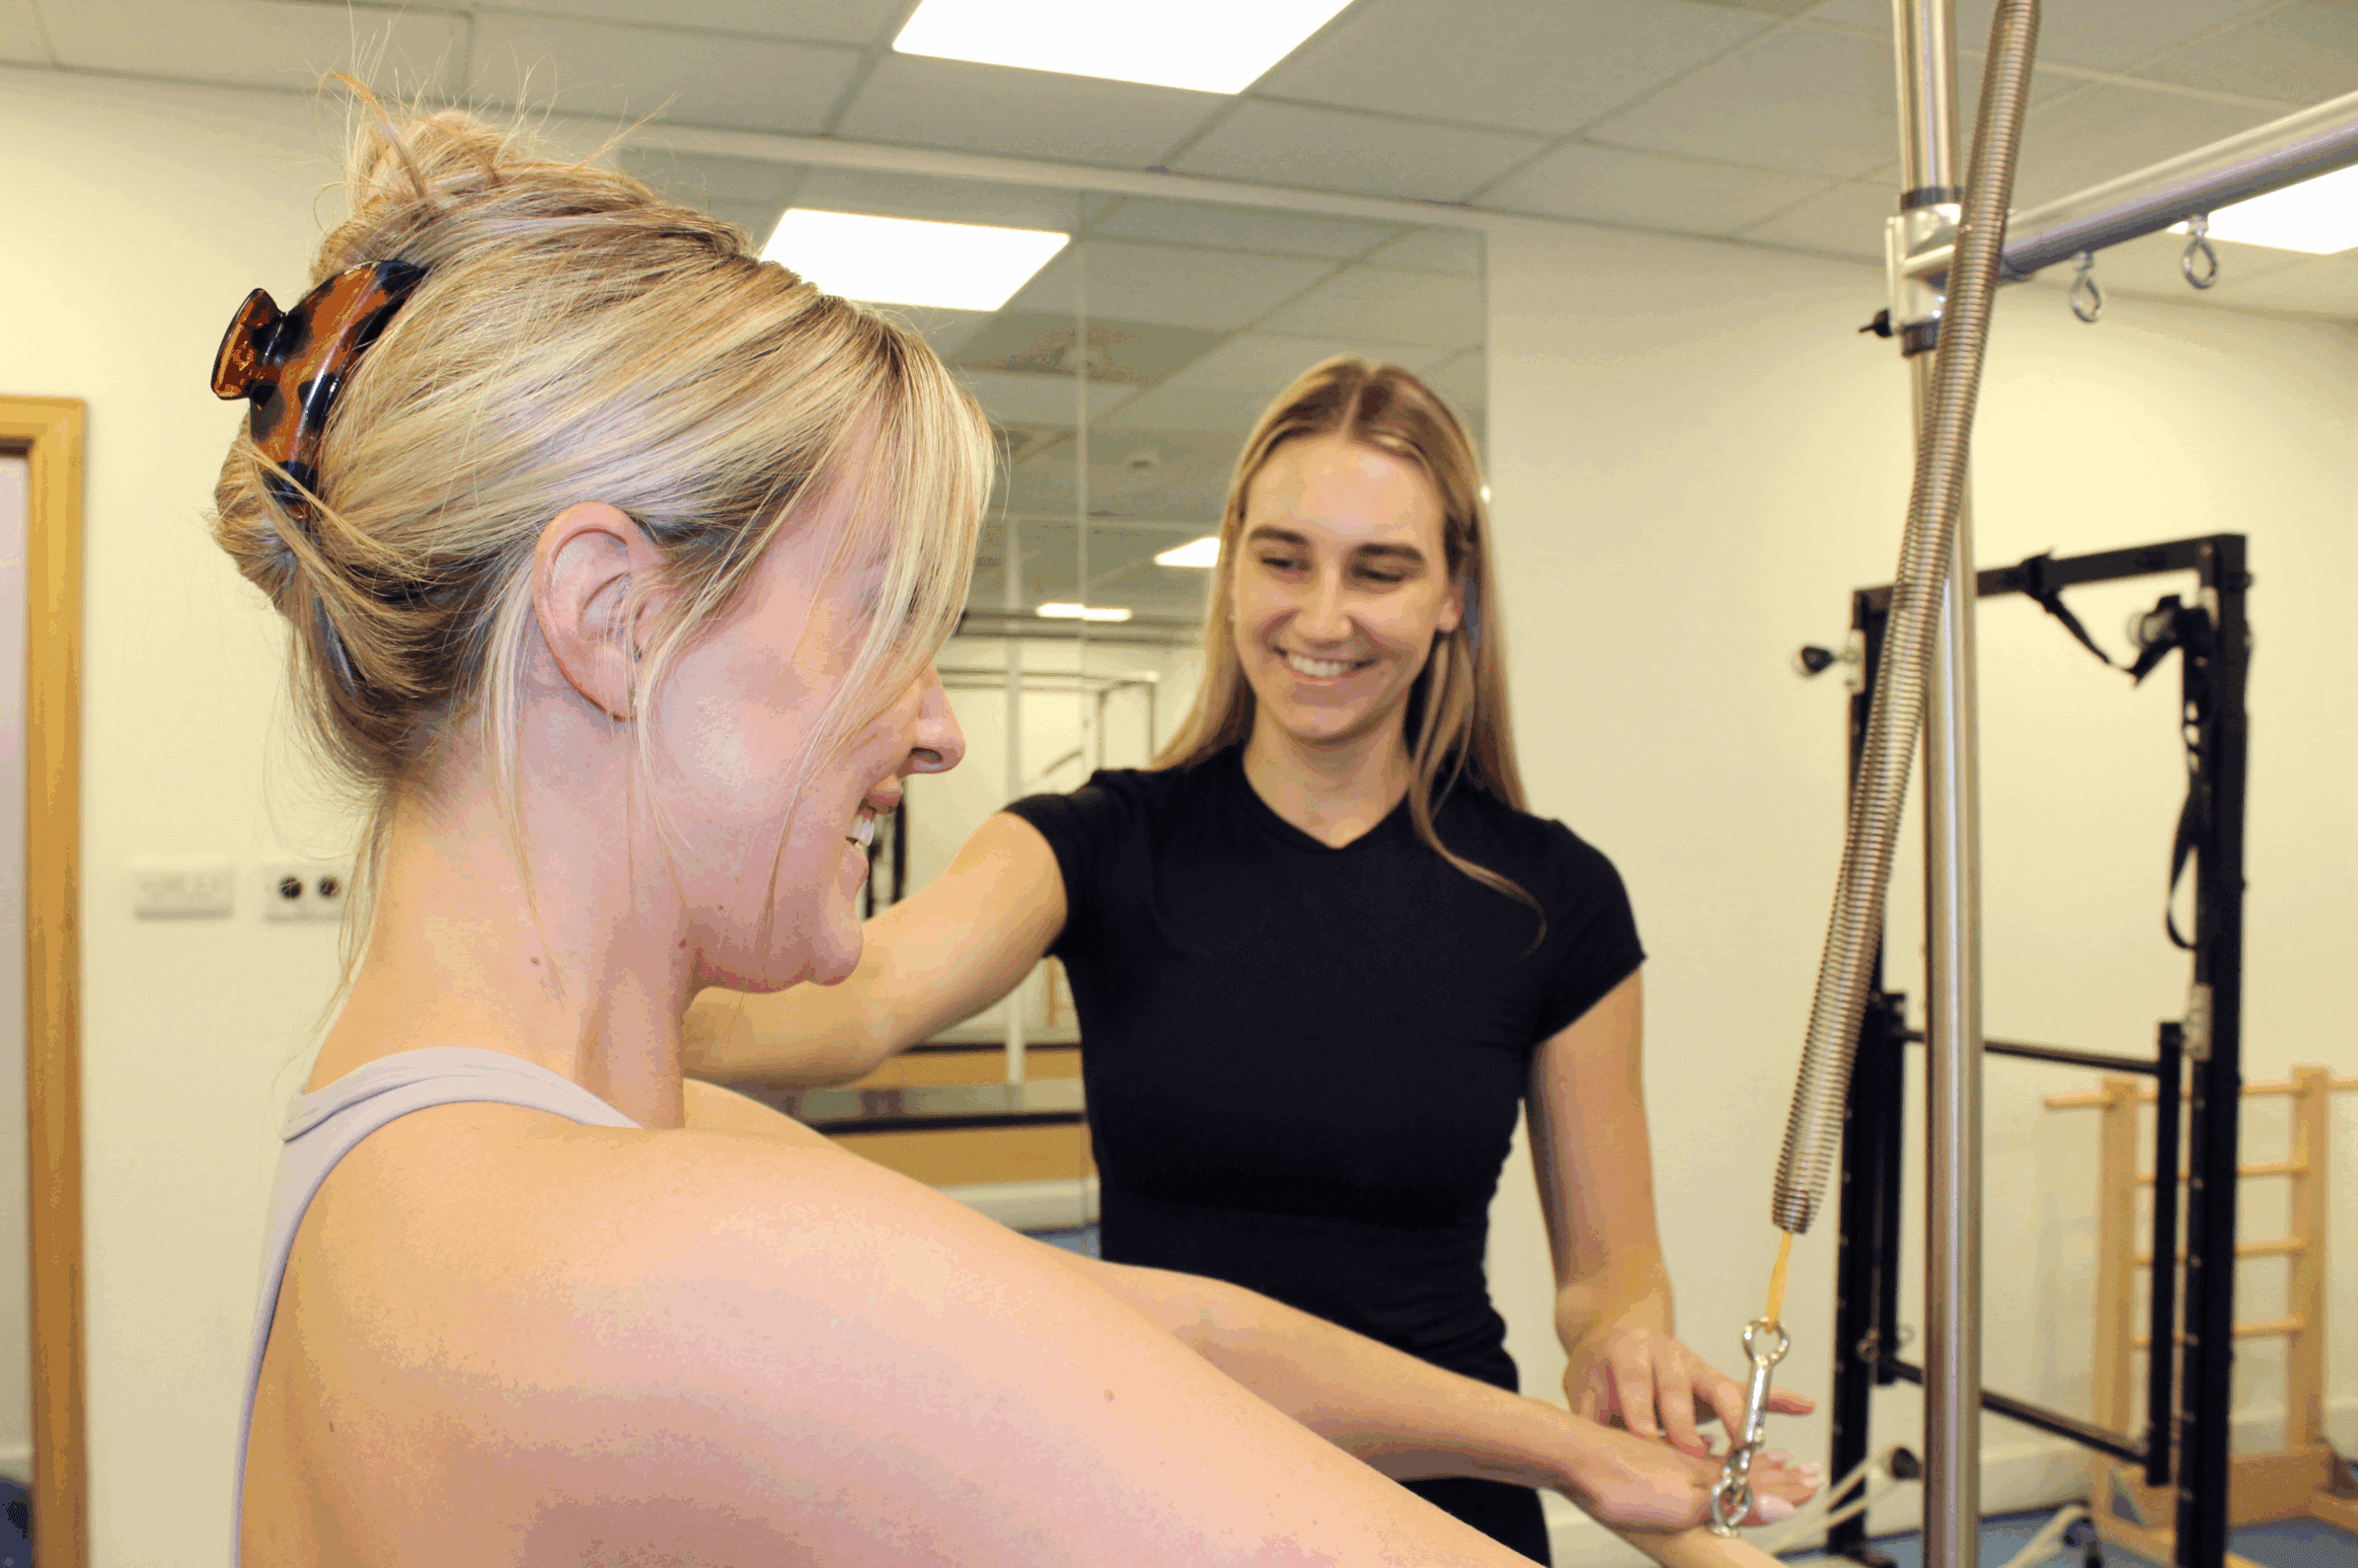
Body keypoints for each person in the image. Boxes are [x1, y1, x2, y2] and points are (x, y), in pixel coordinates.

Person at [222, 94, 1813, 1566]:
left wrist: (1576, 1451)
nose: (936, 721)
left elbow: (1165, 1333)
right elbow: (866, 1031)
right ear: (609, 619)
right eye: (875, 618)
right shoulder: (633, 1239)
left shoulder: (553, 1148)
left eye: (1382, 570)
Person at [682, 357, 1816, 1558]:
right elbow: (861, 998)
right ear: (1232, 566)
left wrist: (1622, 1345)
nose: (1322, 617)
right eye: (1282, 559)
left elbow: (1609, 1273)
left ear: (1450, 596)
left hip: (1443, 1494)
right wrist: (549, 1004)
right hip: (1158, 1481)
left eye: (1379, 571)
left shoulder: (1554, 895)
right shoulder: (1096, 842)